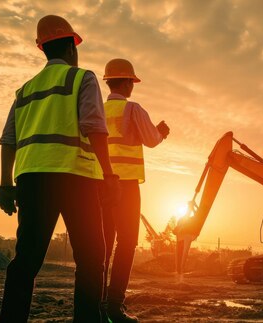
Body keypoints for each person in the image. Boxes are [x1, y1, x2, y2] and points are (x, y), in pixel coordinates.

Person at [0, 15, 119, 323]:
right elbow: (94, 127)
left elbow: (8, 140)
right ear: (72, 48)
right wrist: (109, 174)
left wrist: (5, 185)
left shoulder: (25, 91)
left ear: (43, 49)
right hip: (76, 179)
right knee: (91, 259)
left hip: (32, 181)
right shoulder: (81, 78)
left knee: (25, 261)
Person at [100, 58, 169, 323]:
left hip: (98, 184)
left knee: (101, 247)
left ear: (108, 82)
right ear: (128, 83)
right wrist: (161, 132)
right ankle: (114, 306)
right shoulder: (133, 110)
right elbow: (151, 140)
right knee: (126, 243)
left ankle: (95, 302)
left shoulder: (96, 109)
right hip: (125, 186)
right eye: (132, 82)